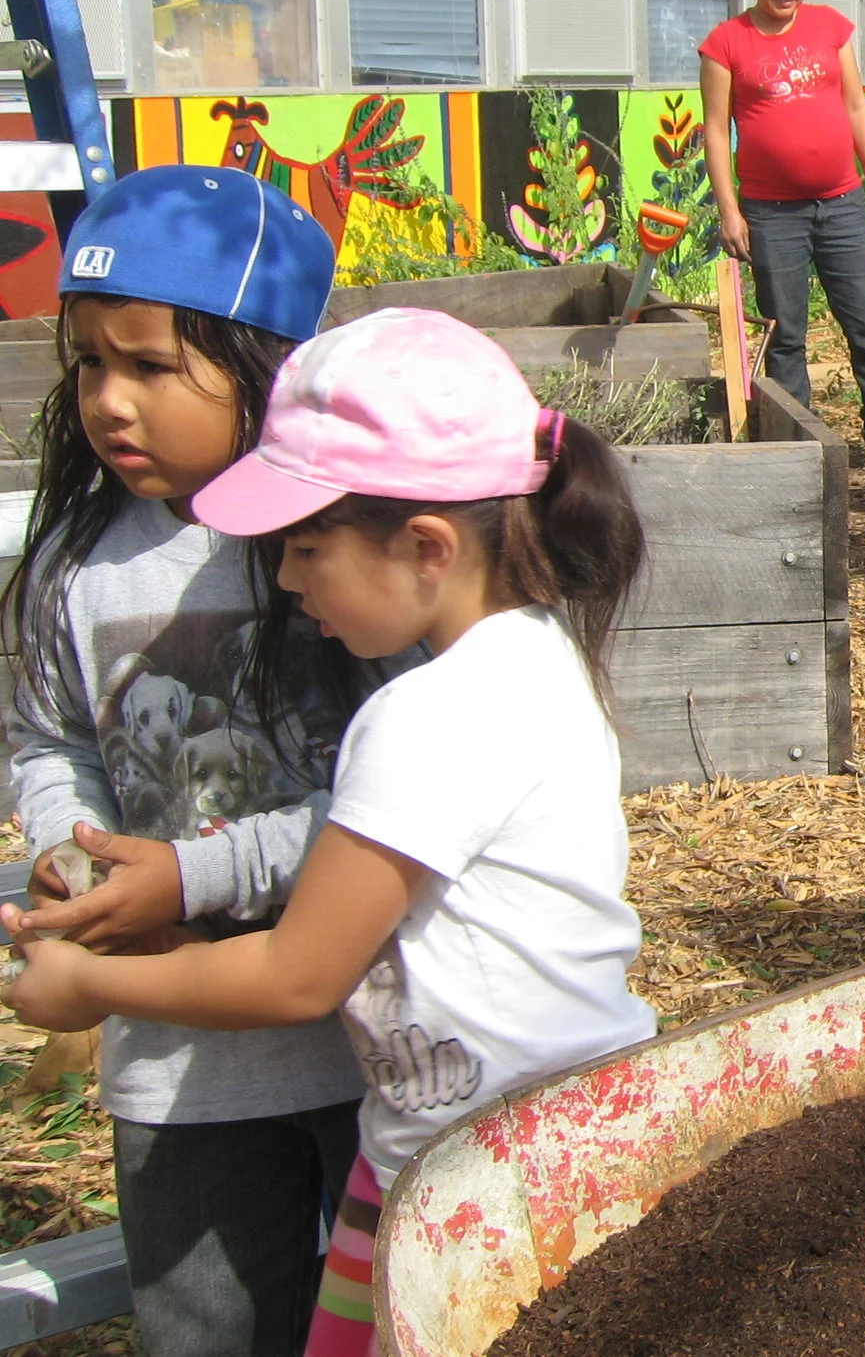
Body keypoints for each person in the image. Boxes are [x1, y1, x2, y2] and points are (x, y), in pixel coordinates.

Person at [5, 307, 660, 1357]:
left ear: (426, 546)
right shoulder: (538, 658)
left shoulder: (425, 718)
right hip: (503, 1135)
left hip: (481, 1173)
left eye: (305, 548)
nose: (287, 581)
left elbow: (297, 980)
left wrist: (88, 988)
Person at [2, 166, 379, 1356]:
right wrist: (68, 850)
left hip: (372, 1041)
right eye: (88, 361)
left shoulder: (339, 554)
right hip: (178, 1068)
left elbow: (391, 806)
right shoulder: (72, 562)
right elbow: (44, 737)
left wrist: (188, 879)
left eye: (153, 366)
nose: (110, 401)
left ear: (266, 363)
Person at [701, 0, 865, 477]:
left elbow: (857, 108)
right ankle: (801, 449)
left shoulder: (831, 28)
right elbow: (716, 131)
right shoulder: (725, 43)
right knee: (785, 335)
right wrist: (729, 210)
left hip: (842, 202)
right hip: (770, 212)